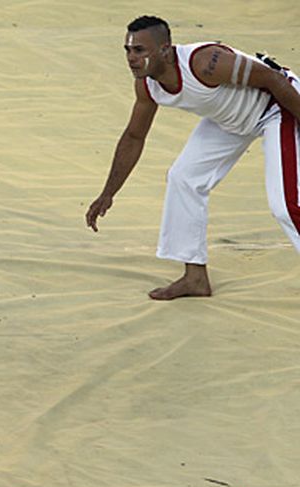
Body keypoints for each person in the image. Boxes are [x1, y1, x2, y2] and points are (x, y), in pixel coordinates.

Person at [85, 15, 300, 299]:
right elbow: (134, 137)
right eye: (127, 50)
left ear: (165, 49)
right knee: (183, 178)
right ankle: (195, 279)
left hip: (277, 106)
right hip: (231, 120)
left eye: (139, 50)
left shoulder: (205, 63)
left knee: (284, 204)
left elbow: (274, 79)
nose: (131, 58)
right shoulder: (148, 86)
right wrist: (108, 193)